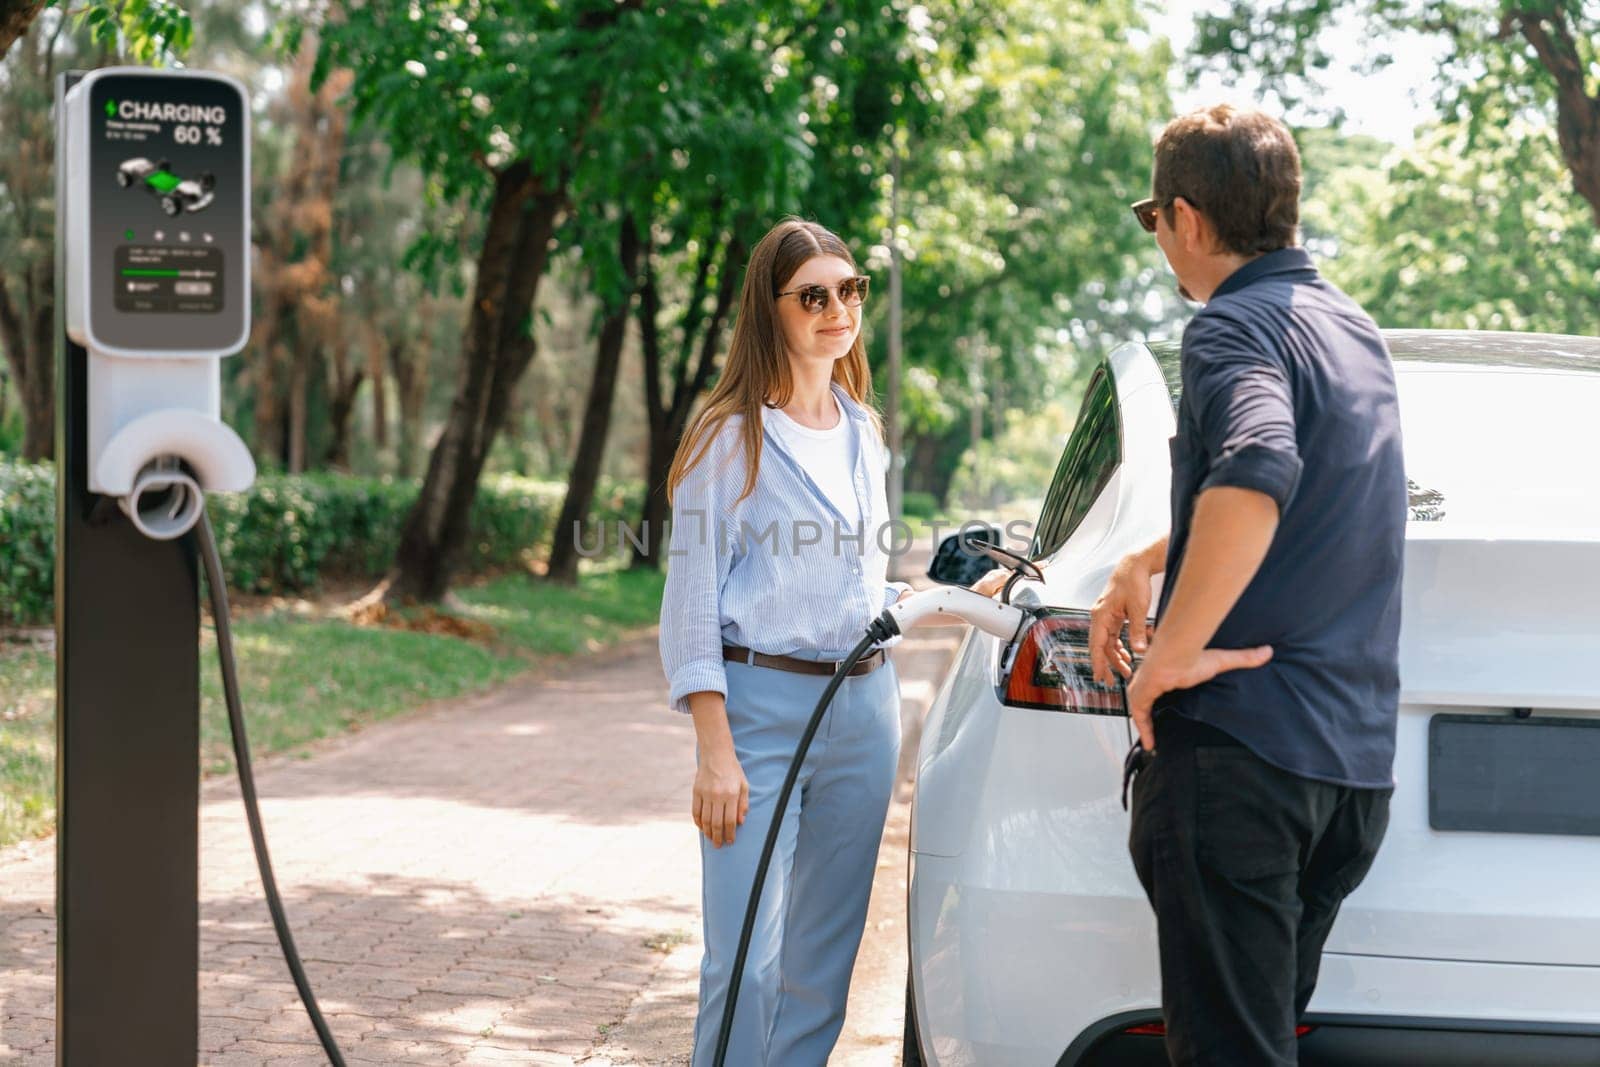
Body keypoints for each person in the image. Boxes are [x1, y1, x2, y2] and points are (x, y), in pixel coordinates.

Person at [1093, 104, 1406, 1065]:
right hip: (1347, 777)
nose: (1159, 240)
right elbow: (1313, 493)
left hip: (1243, 764)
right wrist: (1149, 556)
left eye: (1152, 219)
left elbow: (1260, 469)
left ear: (1187, 218)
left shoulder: (1230, 327)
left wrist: (1166, 662)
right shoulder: (1353, 331)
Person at [657, 217, 912, 1066]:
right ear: (772, 311)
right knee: (746, 963)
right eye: (814, 295)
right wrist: (713, 751)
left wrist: (930, 595)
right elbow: (691, 607)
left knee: (820, 968)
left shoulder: (863, 432)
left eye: (850, 290)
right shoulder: (728, 439)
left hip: (864, 710)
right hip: (758, 715)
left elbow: (851, 586)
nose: (838, 309)